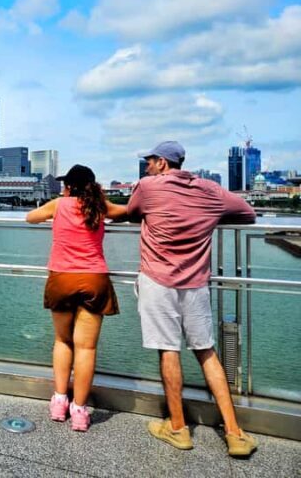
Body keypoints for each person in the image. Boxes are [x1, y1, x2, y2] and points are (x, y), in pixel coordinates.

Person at [128, 141, 258, 457]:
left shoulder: (148, 187)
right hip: (196, 283)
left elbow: (132, 214)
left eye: (150, 161)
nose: (147, 166)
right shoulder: (210, 190)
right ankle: (234, 433)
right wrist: (207, 216)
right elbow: (248, 214)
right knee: (206, 351)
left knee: (168, 350)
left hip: (158, 281)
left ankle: (178, 428)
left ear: (162, 162)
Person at [26, 164, 127, 431]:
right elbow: (127, 212)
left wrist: (53, 213)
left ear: (69, 187)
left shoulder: (58, 204)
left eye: (64, 185)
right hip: (94, 278)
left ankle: (60, 401)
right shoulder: (100, 206)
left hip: (62, 277)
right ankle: (80, 411)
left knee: (62, 340)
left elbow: (30, 217)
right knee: (87, 348)